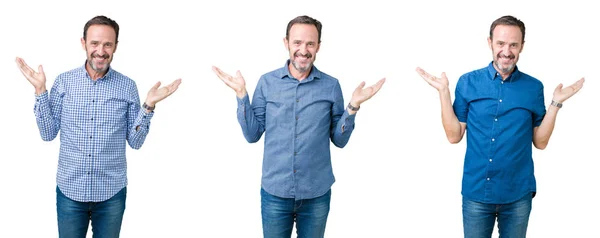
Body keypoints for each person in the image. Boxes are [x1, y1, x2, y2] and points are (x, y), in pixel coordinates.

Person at [213, 15, 385, 238]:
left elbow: (339, 141)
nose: (303, 50)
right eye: (297, 43)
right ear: (286, 43)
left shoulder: (331, 86)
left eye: (310, 44)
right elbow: (252, 135)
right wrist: (241, 95)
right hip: (275, 192)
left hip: (316, 193)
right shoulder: (267, 83)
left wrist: (353, 107)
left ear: (318, 47)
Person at [416, 15, 584, 237]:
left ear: (522, 46)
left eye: (514, 44)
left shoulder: (533, 87)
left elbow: (540, 142)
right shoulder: (468, 82)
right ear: (490, 43)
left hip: (517, 195)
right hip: (476, 193)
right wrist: (444, 93)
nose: (507, 51)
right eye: (501, 43)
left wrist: (556, 103)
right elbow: (454, 135)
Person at [15, 15, 182, 238]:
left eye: (107, 44)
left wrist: (148, 106)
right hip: (70, 192)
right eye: (94, 43)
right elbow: (47, 134)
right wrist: (40, 91)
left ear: (115, 47)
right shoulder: (64, 82)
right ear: (83, 43)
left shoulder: (127, 86)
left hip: (111, 194)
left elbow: (135, 142)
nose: (100, 51)